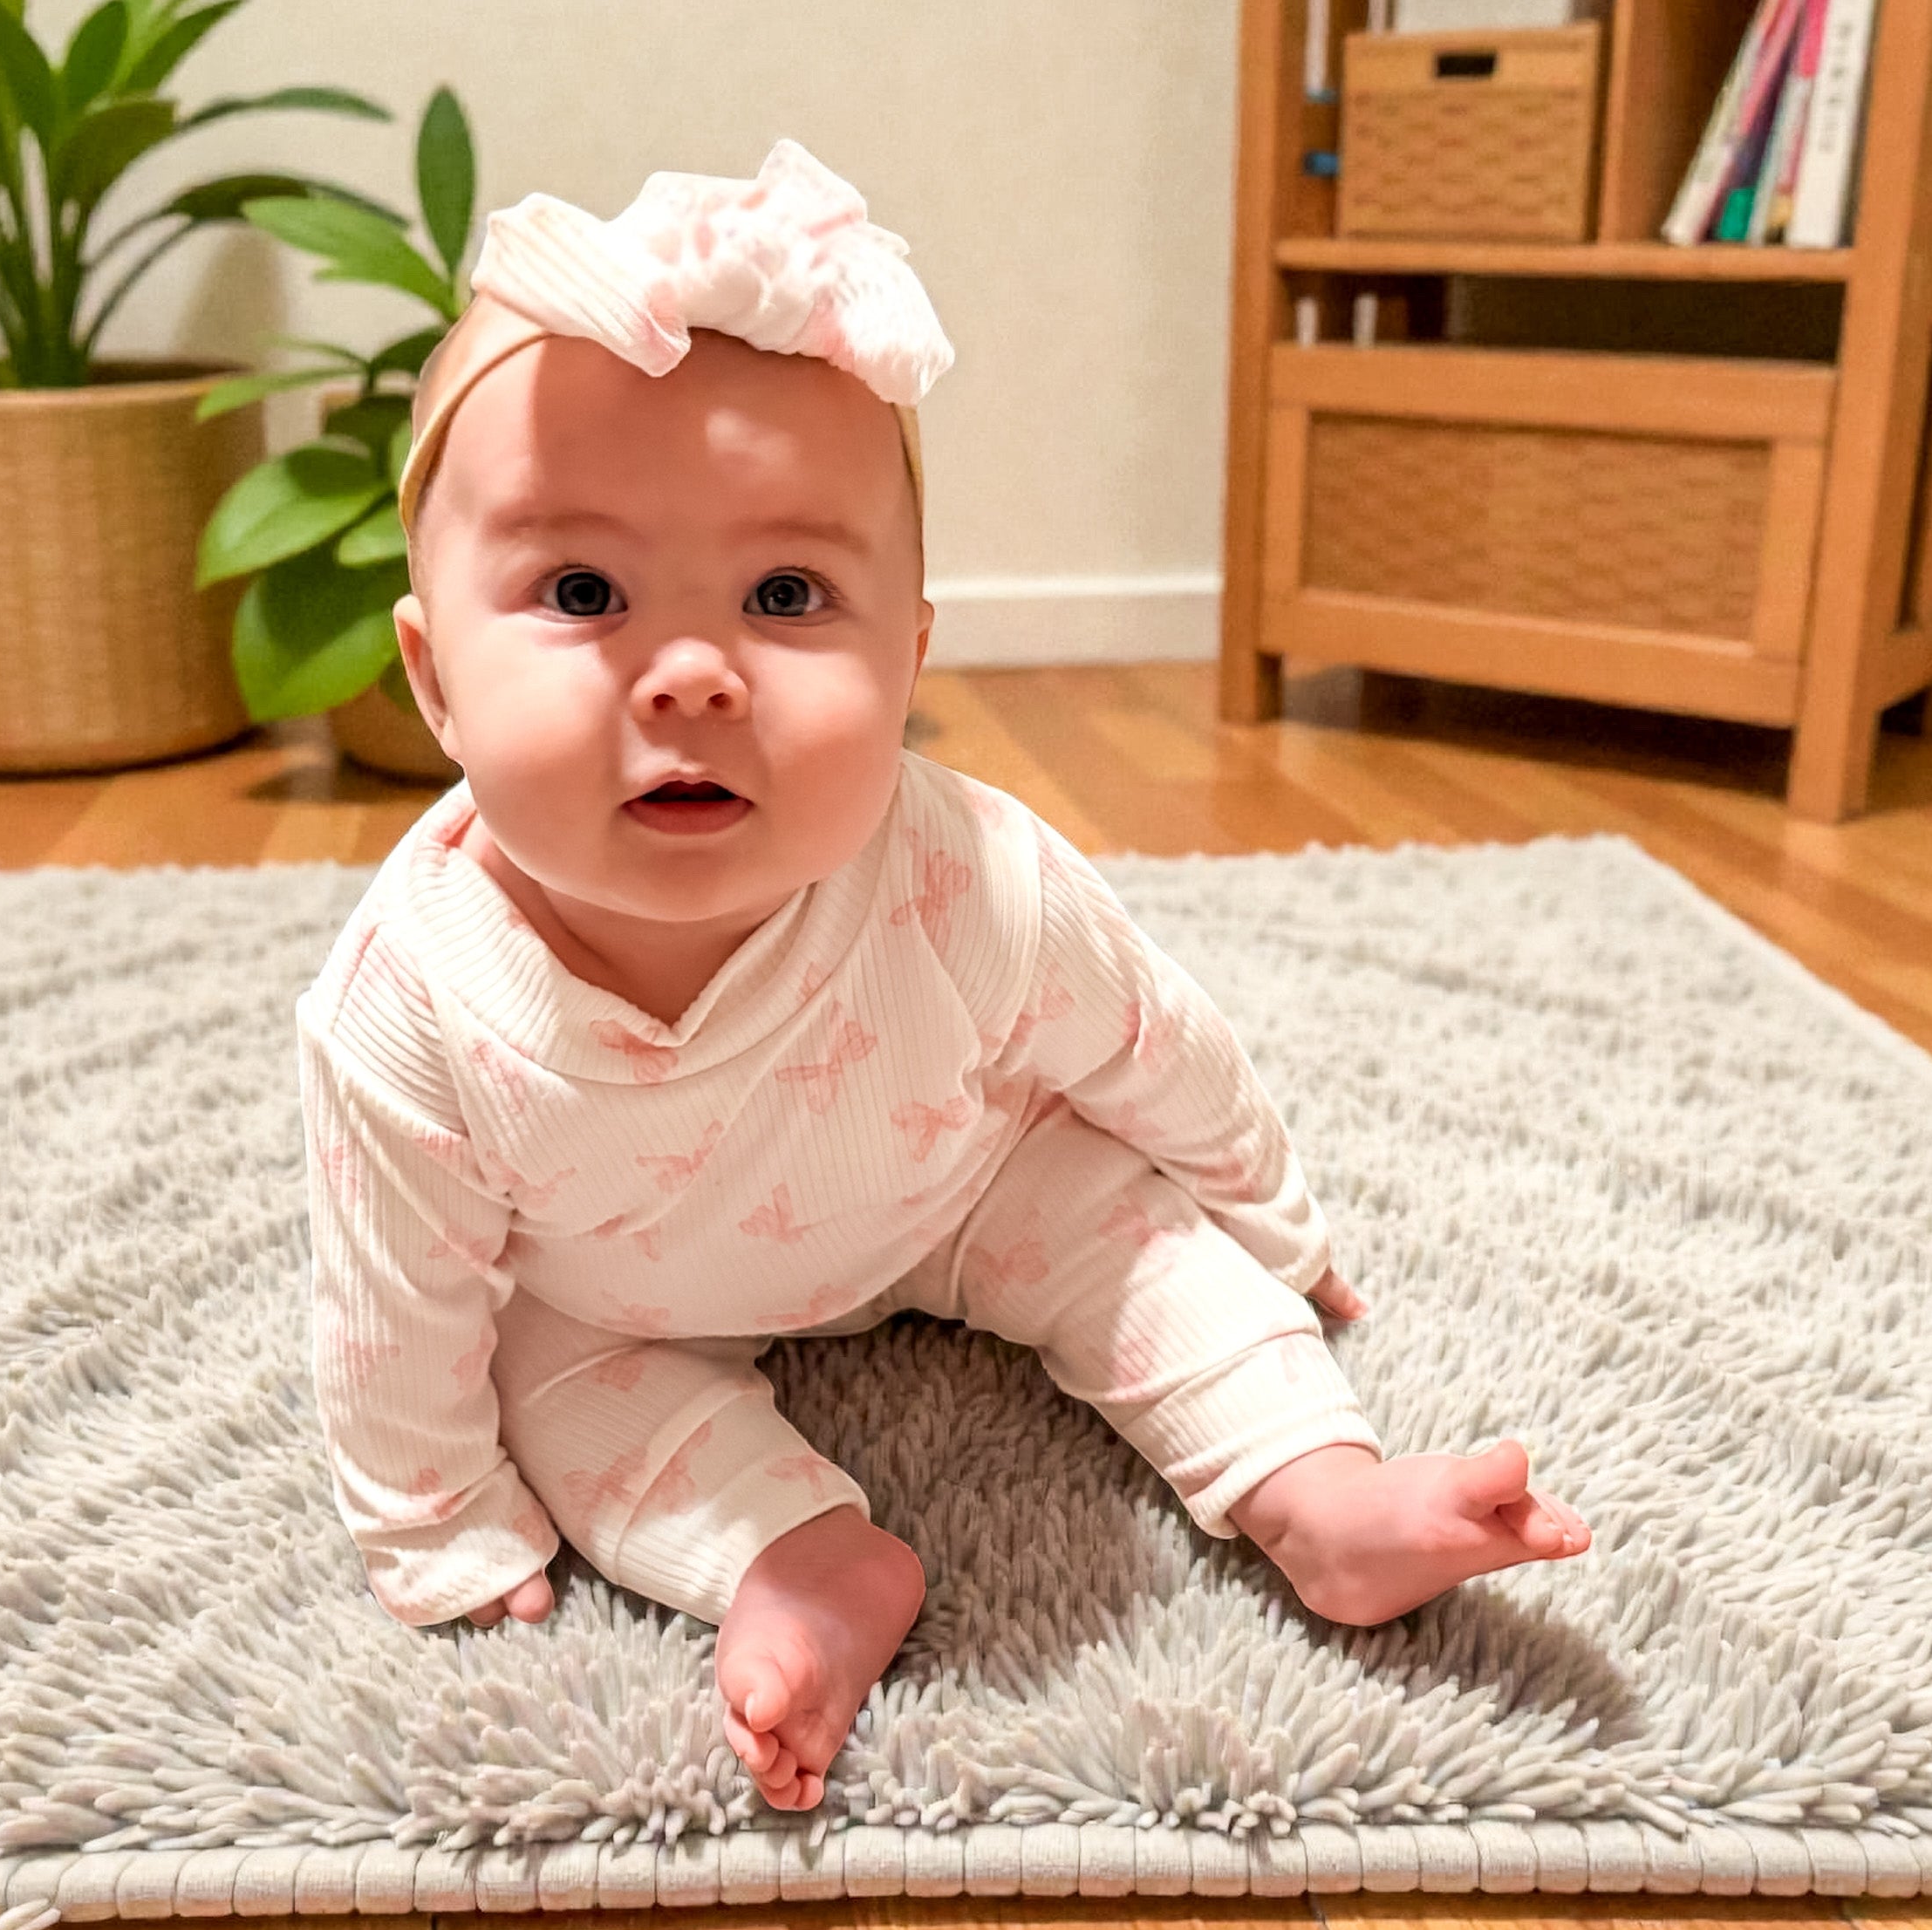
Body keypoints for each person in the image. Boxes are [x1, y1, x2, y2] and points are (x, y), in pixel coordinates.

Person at [297, 138, 1590, 1816]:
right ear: (433, 680)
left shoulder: (970, 879)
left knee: (1135, 1234)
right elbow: (394, 1305)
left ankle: (1322, 1501)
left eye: (785, 595)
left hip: (950, 1190)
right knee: (551, 1395)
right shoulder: (409, 1002)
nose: (691, 673)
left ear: (910, 650)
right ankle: (809, 1560)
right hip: (612, 1285)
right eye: (582, 593)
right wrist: (436, 1530)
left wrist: (1266, 1222)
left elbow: (1158, 1052)